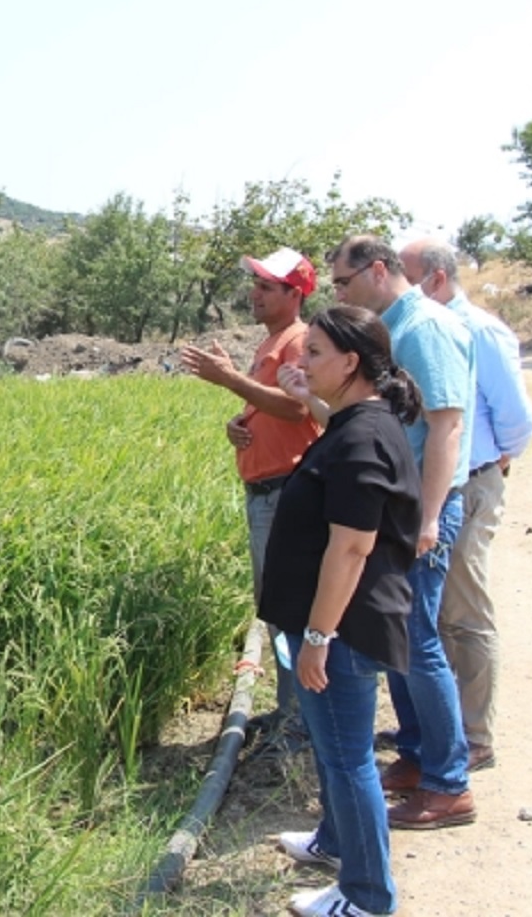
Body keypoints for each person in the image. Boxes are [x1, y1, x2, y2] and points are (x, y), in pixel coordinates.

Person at [263, 305, 423, 917]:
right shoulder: (359, 421)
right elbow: (342, 424)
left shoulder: (361, 439)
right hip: (334, 624)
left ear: (352, 363)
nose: (302, 360)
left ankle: (366, 897)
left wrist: (319, 636)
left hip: (344, 630)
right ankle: (334, 842)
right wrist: (310, 397)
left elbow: (352, 546)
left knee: (349, 758)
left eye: (316, 353)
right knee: (336, 749)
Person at [326, 234, 477, 831]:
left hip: (421, 512)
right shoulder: (397, 326)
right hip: (400, 509)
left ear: (378, 270)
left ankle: (449, 784)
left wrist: (430, 516)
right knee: (398, 640)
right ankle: (417, 757)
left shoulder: (426, 329)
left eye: (343, 283)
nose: (340, 294)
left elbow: (445, 429)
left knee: (417, 643)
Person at [400, 238, 532, 770]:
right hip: (453, 482)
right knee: (437, 615)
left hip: (471, 483)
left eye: (407, 278)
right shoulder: (426, 329)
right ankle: (446, 725)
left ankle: (475, 736)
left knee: (464, 611)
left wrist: (495, 463)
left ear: (434, 279)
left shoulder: (477, 328)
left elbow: (517, 416)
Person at [179, 247, 322, 750]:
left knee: (291, 609)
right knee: (280, 609)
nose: (254, 294)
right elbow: (273, 408)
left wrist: (229, 379)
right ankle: (291, 714)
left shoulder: (299, 340)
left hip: (284, 494)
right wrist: (241, 422)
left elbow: (298, 409)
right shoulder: (273, 342)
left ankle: (301, 724)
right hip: (267, 492)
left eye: (266, 286)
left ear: (295, 293)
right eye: (256, 284)